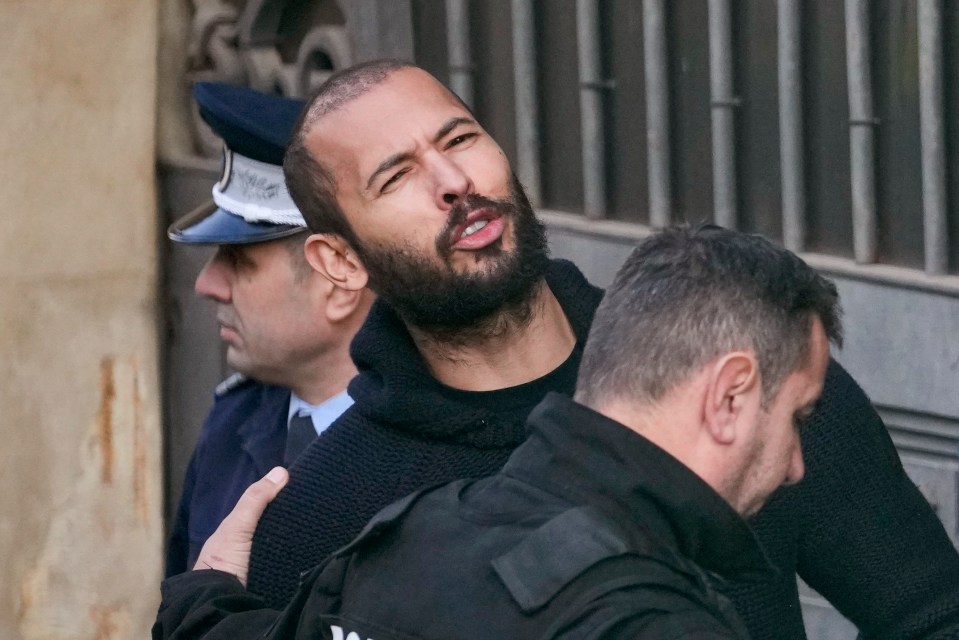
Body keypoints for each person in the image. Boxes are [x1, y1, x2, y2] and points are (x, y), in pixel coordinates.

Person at [158, 60, 959, 639]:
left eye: (460, 138)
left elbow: (930, 614)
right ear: (338, 260)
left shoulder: (736, 379)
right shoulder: (321, 508)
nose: (453, 182)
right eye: (396, 176)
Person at [155, 224, 841, 639]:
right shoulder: (656, 625)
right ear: (729, 394)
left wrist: (203, 599)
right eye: (797, 418)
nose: (796, 465)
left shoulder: (409, 538)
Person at [164, 82, 372, 576]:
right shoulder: (236, 420)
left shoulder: (431, 446)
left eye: (239, 261)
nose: (207, 284)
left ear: (337, 283)